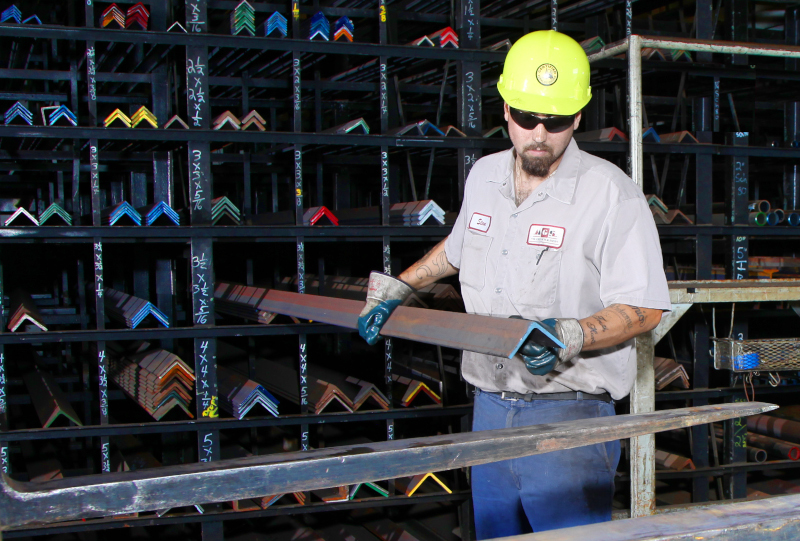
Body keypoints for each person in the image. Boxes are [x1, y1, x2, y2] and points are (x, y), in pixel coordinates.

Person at [357, 30, 671, 538]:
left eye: (557, 121)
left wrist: (573, 333)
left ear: (579, 117)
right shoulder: (483, 176)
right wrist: (401, 285)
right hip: (489, 406)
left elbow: (646, 309)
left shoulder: (611, 195)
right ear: (506, 110)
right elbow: (458, 249)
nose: (540, 134)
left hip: (569, 419)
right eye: (527, 118)